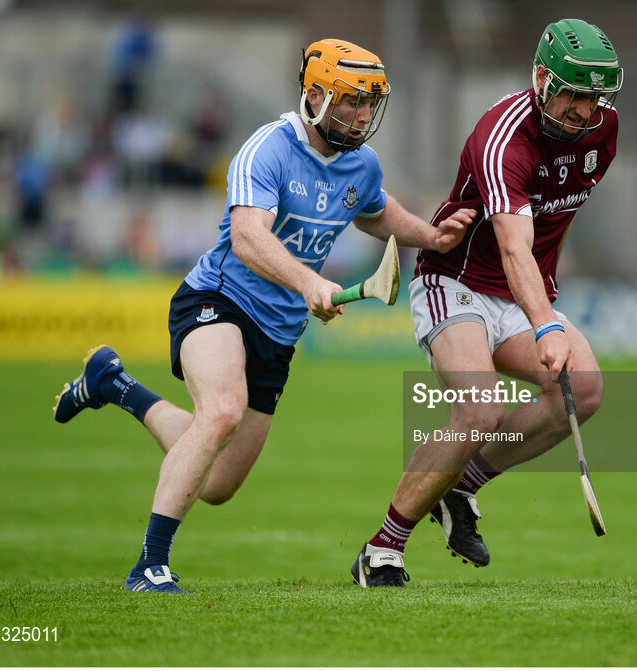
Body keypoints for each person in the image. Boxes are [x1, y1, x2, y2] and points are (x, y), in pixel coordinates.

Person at [53, 39, 475, 593]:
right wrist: (309, 283)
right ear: (317, 95)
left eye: (371, 103)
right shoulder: (267, 149)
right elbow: (249, 239)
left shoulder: (360, 163)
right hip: (219, 301)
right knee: (222, 411)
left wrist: (430, 235)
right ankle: (148, 567)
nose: (364, 114)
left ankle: (114, 383)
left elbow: (373, 210)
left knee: (218, 483)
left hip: (278, 336)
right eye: (351, 101)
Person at [351, 18, 621, 588]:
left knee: (585, 388)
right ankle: (382, 551)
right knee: (479, 409)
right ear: (543, 80)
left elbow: (558, 219)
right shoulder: (504, 138)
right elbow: (513, 245)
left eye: (594, 98)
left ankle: (463, 488)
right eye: (573, 95)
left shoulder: (604, 131)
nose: (583, 111)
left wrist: (546, 300)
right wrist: (546, 326)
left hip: (523, 294)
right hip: (458, 282)